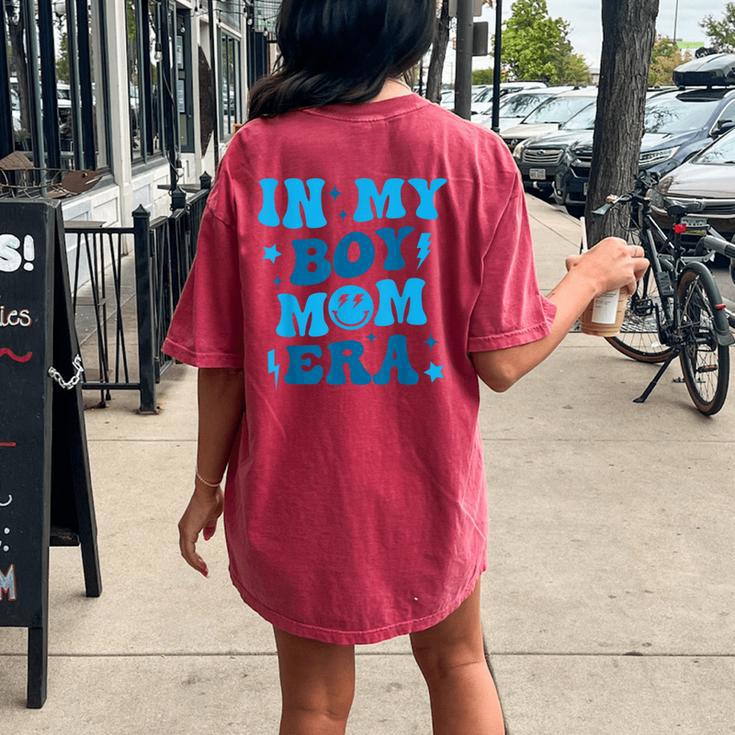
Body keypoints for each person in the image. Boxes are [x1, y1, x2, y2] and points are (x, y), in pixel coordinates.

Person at [162, 2, 649, 733]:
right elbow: (504, 358)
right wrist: (585, 279)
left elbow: (224, 362)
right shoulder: (472, 155)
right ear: (411, 31)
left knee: (314, 705)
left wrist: (207, 485)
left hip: (297, 493)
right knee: (457, 664)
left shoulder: (255, 155)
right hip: (426, 485)